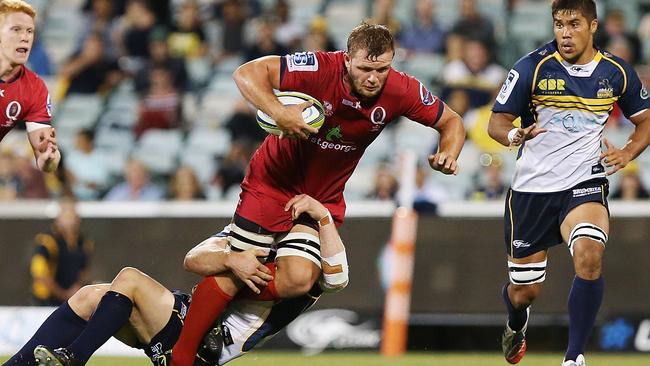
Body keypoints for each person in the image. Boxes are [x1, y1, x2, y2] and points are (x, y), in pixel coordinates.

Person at [171, 22, 465, 365]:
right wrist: (280, 113)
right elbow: (247, 73)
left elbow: (452, 122)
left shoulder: (401, 89)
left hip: (320, 198)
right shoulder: (317, 67)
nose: (373, 78)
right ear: (346, 61)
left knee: (300, 279)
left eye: (382, 69)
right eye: (365, 69)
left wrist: (449, 152)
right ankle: (181, 355)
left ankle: (214, 306)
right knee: (242, 266)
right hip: (270, 185)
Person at [487, 1, 650, 365]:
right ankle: (516, 321)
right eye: (558, 24)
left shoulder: (616, 72)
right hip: (532, 190)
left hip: (583, 181)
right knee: (524, 292)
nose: (564, 32)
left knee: (590, 255)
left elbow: (646, 119)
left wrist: (627, 153)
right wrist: (515, 135)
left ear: (593, 26)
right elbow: (496, 123)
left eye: (573, 24)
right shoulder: (531, 66)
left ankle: (573, 357)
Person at [4, 194, 347, 366]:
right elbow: (193, 258)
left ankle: (73, 359)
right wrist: (230, 257)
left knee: (129, 279)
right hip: (186, 316)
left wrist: (324, 219)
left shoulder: (306, 267)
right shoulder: (254, 239)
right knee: (89, 297)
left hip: (208, 343)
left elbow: (337, 278)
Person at [0, 0, 60, 173]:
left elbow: (45, 155)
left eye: (29, 31)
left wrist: (47, 157)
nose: (25, 37)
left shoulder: (34, 88)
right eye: (16, 29)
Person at [30, 198, 93, 306]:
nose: (70, 220)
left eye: (72, 215)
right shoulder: (46, 241)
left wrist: (77, 287)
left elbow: (84, 270)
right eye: (65, 215)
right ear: (58, 218)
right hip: (47, 301)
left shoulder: (83, 242)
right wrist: (62, 294)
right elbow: (40, 274)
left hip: (72, 299)